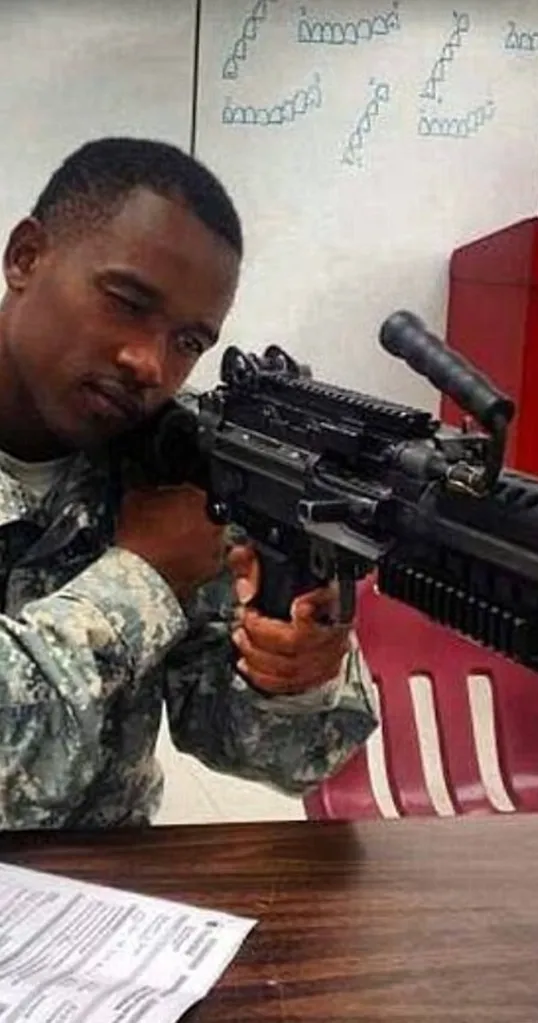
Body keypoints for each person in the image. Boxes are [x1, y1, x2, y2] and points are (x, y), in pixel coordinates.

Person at [0, 136, 378, 829]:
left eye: (189, 342)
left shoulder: (165, 463)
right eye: (126, 301)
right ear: (26, 257)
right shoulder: (160, 529)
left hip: (114, 910)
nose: (149, 362)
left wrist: (291, 669)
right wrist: (140, 578)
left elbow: (269, 753)